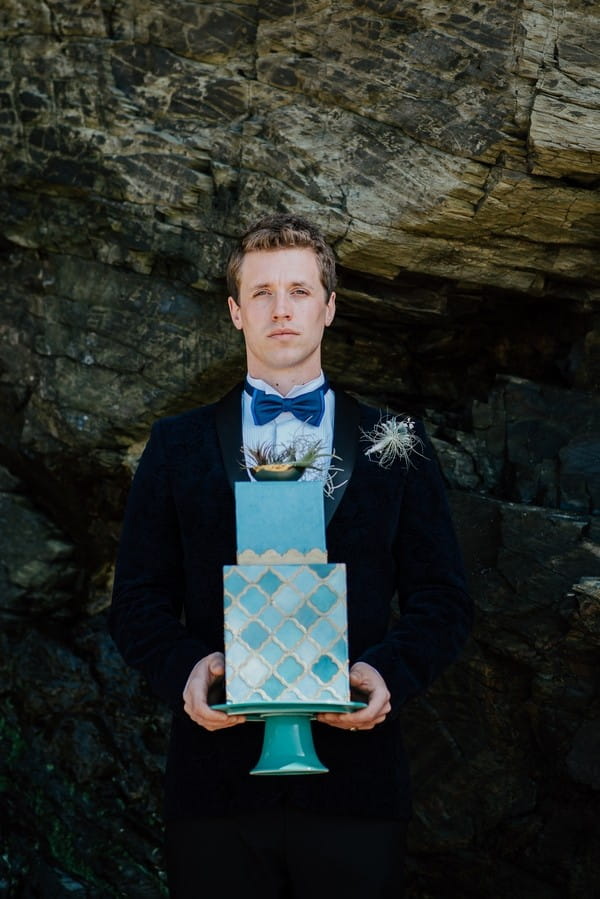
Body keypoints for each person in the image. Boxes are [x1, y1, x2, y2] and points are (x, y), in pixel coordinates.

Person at [109, 213, 472, 899]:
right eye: (263, 293)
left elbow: (444, 599)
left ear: (329, 307)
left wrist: (387, 674)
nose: (282, 309)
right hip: (214, 788)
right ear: (235, 312)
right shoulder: (176, 444)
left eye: (300, 291)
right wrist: (185, 669)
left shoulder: (398, 442)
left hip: (357, 785)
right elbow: (136, 600)